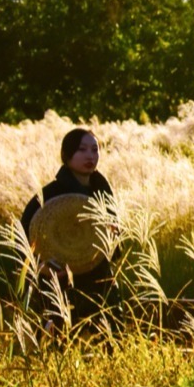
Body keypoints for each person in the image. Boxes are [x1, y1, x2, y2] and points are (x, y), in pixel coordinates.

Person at [21, 127, 115, 329]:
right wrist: (43, 269)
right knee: (59, 340)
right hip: (59, 283)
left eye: (95, 149)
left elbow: (114, 237)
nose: (90, 156)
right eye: (82, 149)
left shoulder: (102, 190)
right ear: (67, 154)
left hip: (99, 280)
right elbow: (23, 236)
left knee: (104, 340)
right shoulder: (50, 193)